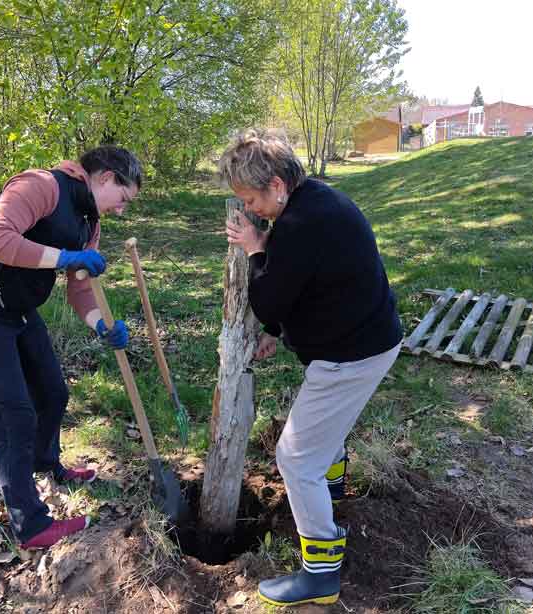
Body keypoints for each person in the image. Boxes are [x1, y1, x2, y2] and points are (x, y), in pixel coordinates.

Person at [219, 130, 403, 606]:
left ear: (277, 185)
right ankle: (333, 487)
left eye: (250, 199)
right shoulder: (314, 202)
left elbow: (269, 297)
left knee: (296, 458)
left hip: (352, 355)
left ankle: (320, 572)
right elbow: (309, 282)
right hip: (363, 339)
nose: (250, 209)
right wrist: (279, 332)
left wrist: (255, 249)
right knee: (324, 427)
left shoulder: (300, 224)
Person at [0, 145, 142, 549]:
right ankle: (30, 526)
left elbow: (81, 288)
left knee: (53, 392)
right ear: (105, 177)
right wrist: (63, 256)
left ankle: (46, 466)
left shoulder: (89, 221)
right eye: (123, 199)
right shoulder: (41, 186)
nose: (122, 210)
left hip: (16, 310)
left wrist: (101, 324)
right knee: (12, 418)